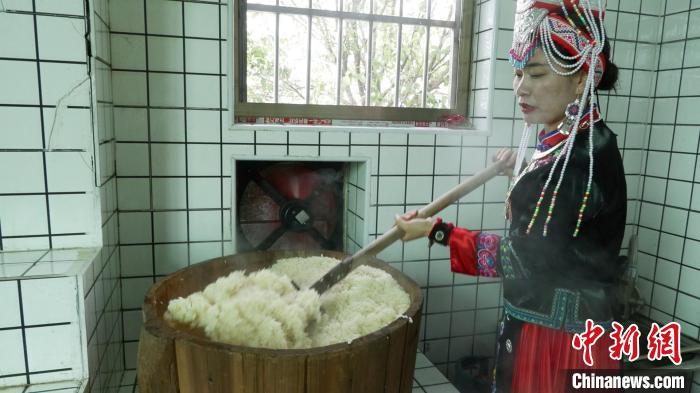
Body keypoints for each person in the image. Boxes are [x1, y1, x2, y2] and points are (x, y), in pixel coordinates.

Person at [396, 1, 627, 392]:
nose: (520, 87)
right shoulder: (580, 138)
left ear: (580, 78)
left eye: (536, 73)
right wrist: (519, 171)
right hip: (569, 324)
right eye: (519, 73)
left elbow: (522, 257)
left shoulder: (575, 160)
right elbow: (561, 225)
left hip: (557, 340)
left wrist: (437, 232)